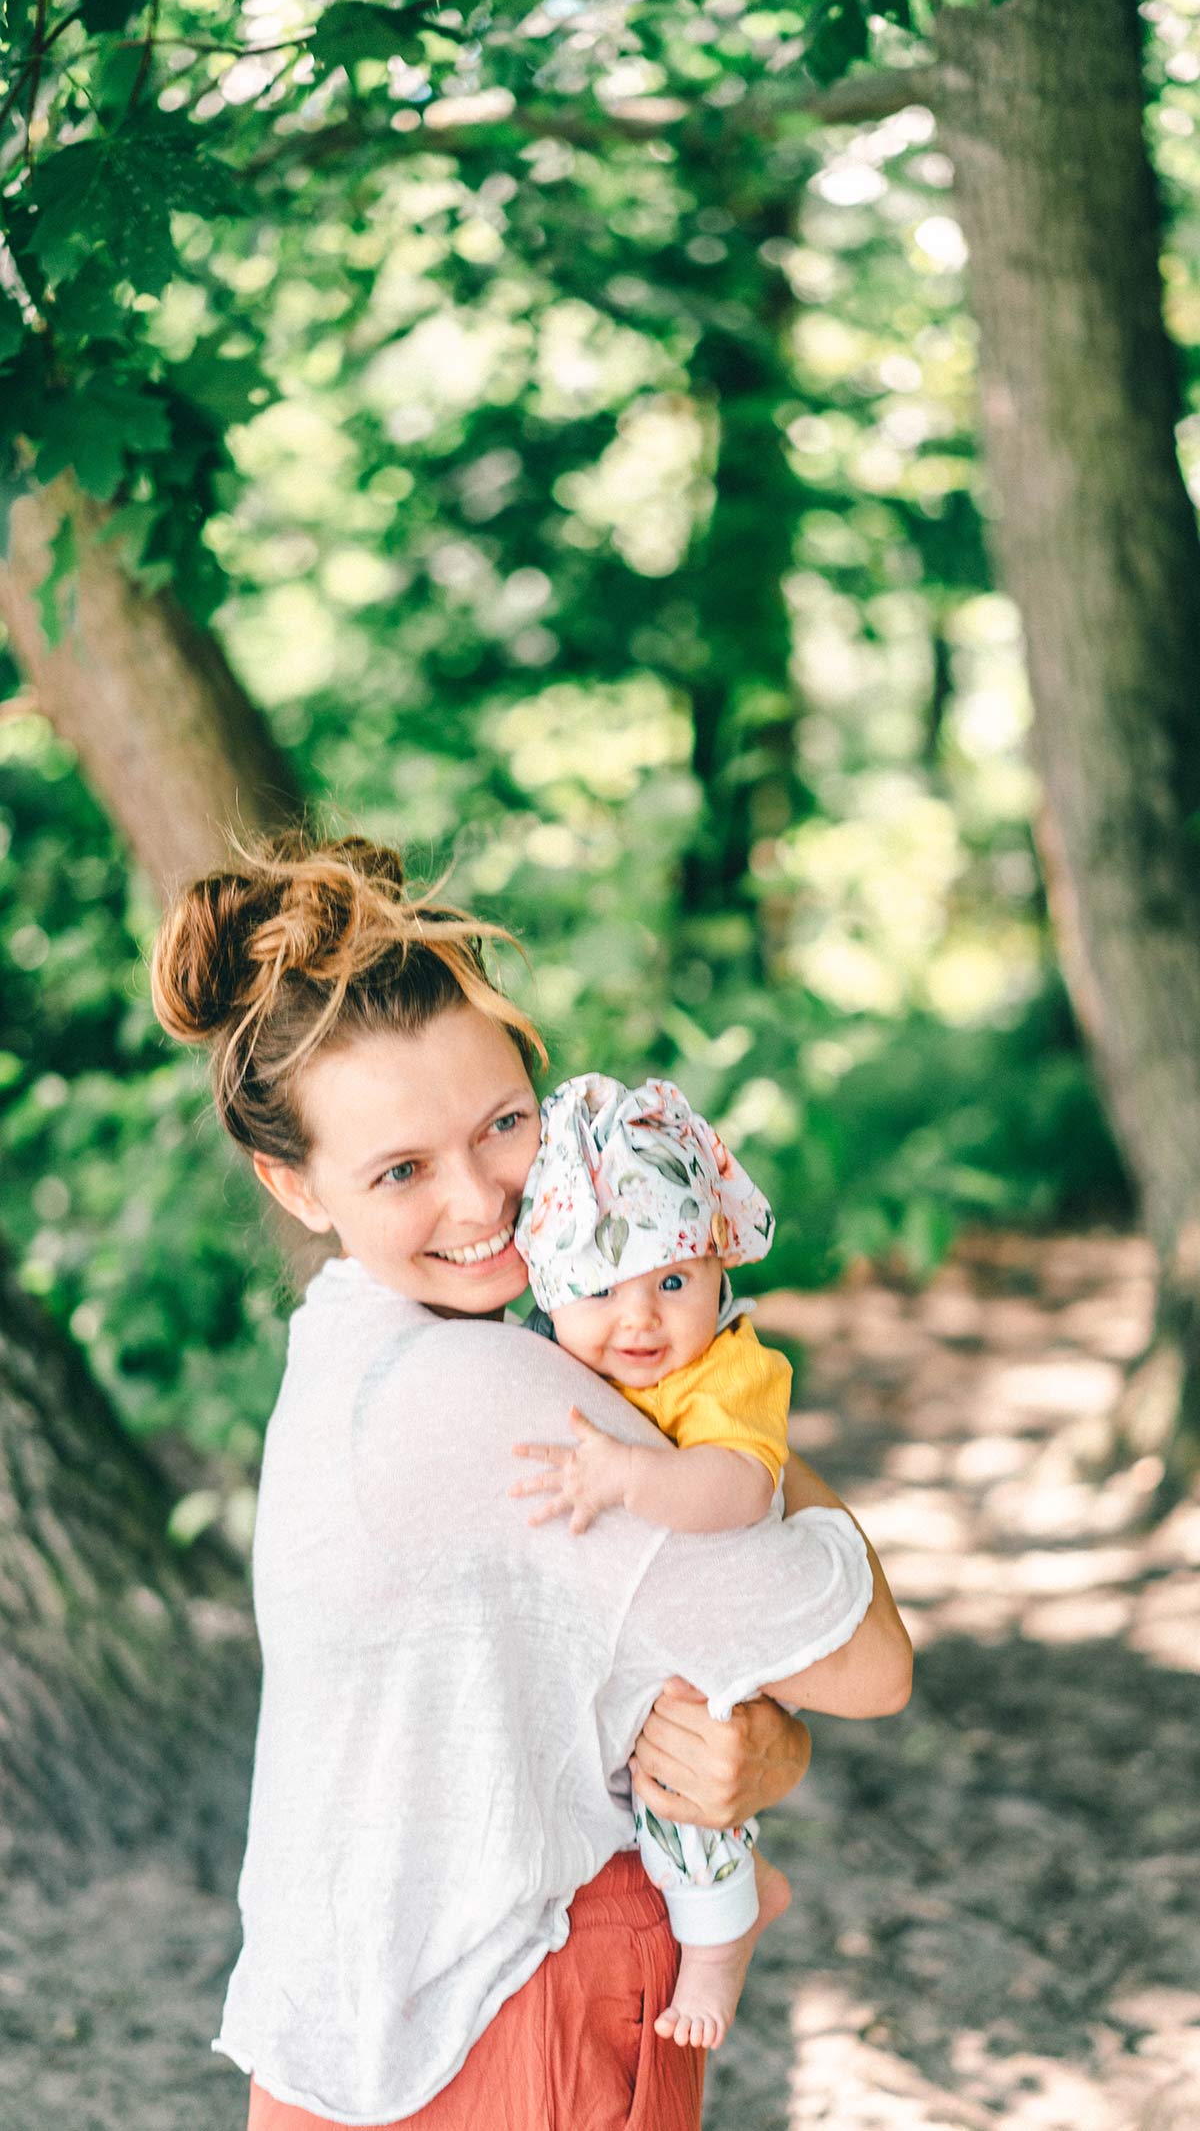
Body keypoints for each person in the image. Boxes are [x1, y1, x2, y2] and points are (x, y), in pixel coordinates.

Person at [150, 832, 912, 2131]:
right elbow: (871, 1660)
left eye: (505, 1122)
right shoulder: (485, 1397)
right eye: (401, 1169)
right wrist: (726, 1384)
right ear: (293, 1180)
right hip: (519, 2026)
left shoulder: (353, 1344)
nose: (484, 1197)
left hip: (376, 2031)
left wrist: (755, 1750)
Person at [510, 1070, 795, 2052]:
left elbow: (740, 1489)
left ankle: (724, 1938)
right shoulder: (548, 1365)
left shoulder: (727, 1369)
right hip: (643, 1633)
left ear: (719, 1271)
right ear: (550, 1292)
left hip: (717, 1652)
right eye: (599, 1286)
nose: (639, 1319)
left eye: (671, 1280)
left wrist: (631, 1477)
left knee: (683, 1798)